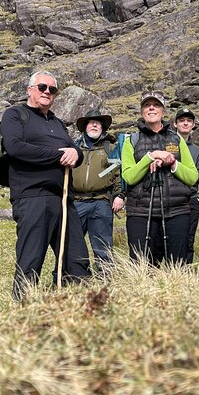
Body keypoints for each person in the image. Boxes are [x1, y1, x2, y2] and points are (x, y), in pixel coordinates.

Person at [0, 70, 91, 301]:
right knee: (31, 258)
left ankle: (74, 307)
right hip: (32, 197)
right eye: (42, 87)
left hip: (63, 199)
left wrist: (75, 154)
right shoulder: (15, 115)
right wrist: (58, 154)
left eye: (52, 89)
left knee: (77, 259)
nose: (47, 92)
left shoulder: (57, 123)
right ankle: (22, 309)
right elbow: (15, 147)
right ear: (30, 90)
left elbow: (75, 152)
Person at [121, 90, 198, 265]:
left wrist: (172, 164)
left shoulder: (177, 140)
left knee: (177, 264)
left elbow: (193, 177)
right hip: (141, 212)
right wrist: (151, 156)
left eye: (156, 105)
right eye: (147, 105)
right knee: (140, 264)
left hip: (176, 212)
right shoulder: (131, 141)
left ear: (163, 111)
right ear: (142, 111)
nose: (151, 108)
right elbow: (129, 177)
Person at [72, 109, 125, 275]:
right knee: (72, 242)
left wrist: (120, 195)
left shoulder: (110, 148)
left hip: (101, 202)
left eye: (98, 123)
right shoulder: (74, 148)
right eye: (91, 122)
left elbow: (118, 173)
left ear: (103, 128)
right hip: (76, 202)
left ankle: (105, 278)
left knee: (102, 244)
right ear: (85, 127)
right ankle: (75, 276)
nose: (94, 125)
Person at [173, 108, 199, 263]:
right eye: (181, 120)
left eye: (189, 121)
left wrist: (182, 172)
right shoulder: (168, 144)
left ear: (193, 125)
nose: (185, 123)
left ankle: (186, 270)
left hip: (190, 198)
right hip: (171, 198)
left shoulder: (196, 150)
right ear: (175, 123)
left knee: (189, 237)